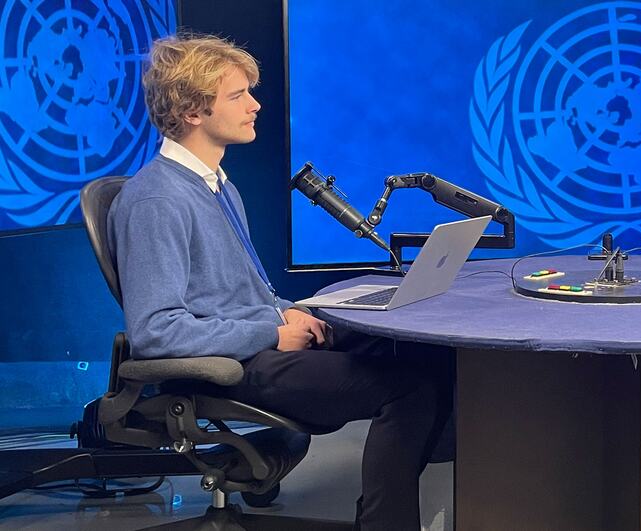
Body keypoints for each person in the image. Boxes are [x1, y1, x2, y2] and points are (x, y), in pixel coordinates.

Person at [108, 34, 451, 530]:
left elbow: (245, 294)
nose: (255, 104)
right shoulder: (156, 201)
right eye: (237, 96)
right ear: (191, 112)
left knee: (424, 354)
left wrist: (297, 313)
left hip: (256, 342)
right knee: (410, 389)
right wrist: (272, 332)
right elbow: (156, 331)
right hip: (229, 363)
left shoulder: (218, 185)